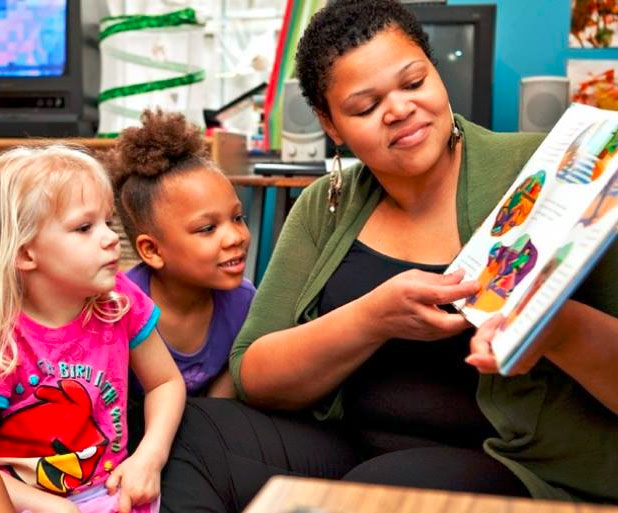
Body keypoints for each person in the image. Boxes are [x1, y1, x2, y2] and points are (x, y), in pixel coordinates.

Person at [160, 1, 618, 512]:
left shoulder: (546, 174)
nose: (399, 110)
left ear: (435, 71)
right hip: (346, 445)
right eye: (364, 106)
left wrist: (548, 325)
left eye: (414, 82)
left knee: (382, 485)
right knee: (194, 428)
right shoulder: (324, 205)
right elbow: (254, 374)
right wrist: (373, 318)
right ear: (330, 124)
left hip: (509, 465)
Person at [0, 145, 186, 513]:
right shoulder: (8, 339)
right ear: (25, 253)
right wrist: (52, 507)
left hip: (117, 492)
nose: (111, 237)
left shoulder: (118, 301)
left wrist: (149, 456)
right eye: (84, 228)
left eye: (108, 221)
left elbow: (166, 383)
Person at [103, 109, 255, 399]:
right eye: (208, 228)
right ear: (152, 251)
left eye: (238, 217)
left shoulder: (244, 303)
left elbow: (224, 397)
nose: (237, 237)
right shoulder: (117, 308)